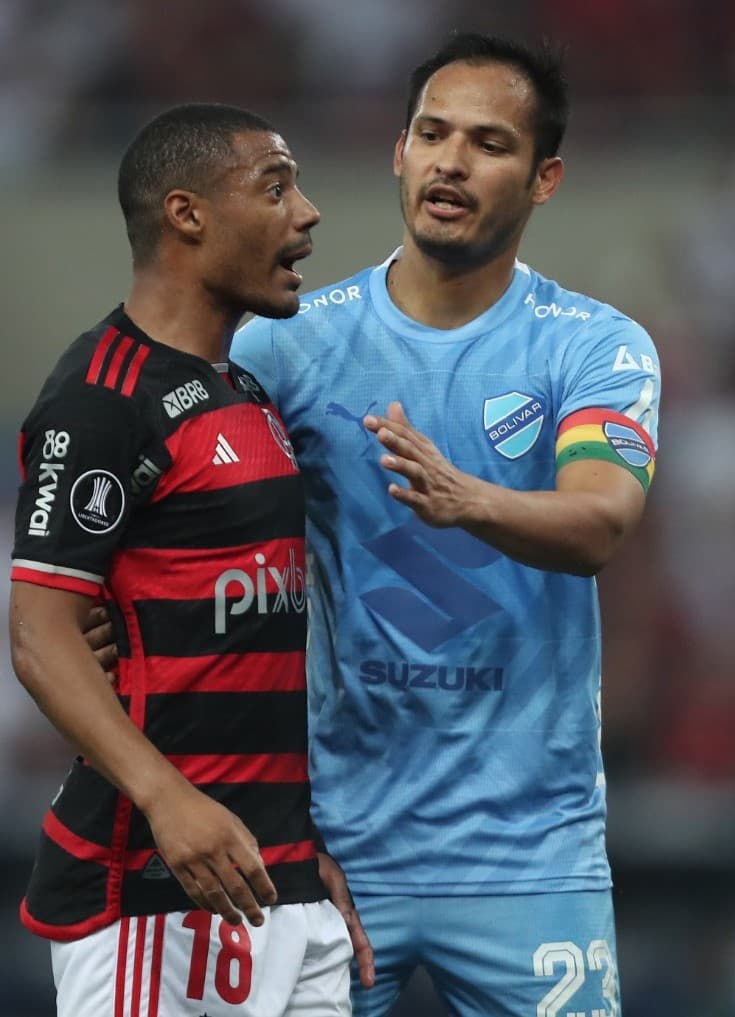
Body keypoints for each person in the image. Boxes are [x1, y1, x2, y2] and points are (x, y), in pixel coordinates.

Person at [228, 32, 660, 1017]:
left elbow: (599, 522)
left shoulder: (594, 348)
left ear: (545, 177)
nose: (451, 161)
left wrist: (469, 500)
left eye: (488, 143)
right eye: (432, 133)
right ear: (398, 151)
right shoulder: (286, 346)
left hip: (531, 855)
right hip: (335, 846)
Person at [9, 103, 370, 1016]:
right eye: (275, 185)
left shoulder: (245, 393)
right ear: (186, 215)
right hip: (157, 889)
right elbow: (41, 632)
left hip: (279, 879)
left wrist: (296, 845)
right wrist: (169, 802)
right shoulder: (100, 396)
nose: (309, 212)